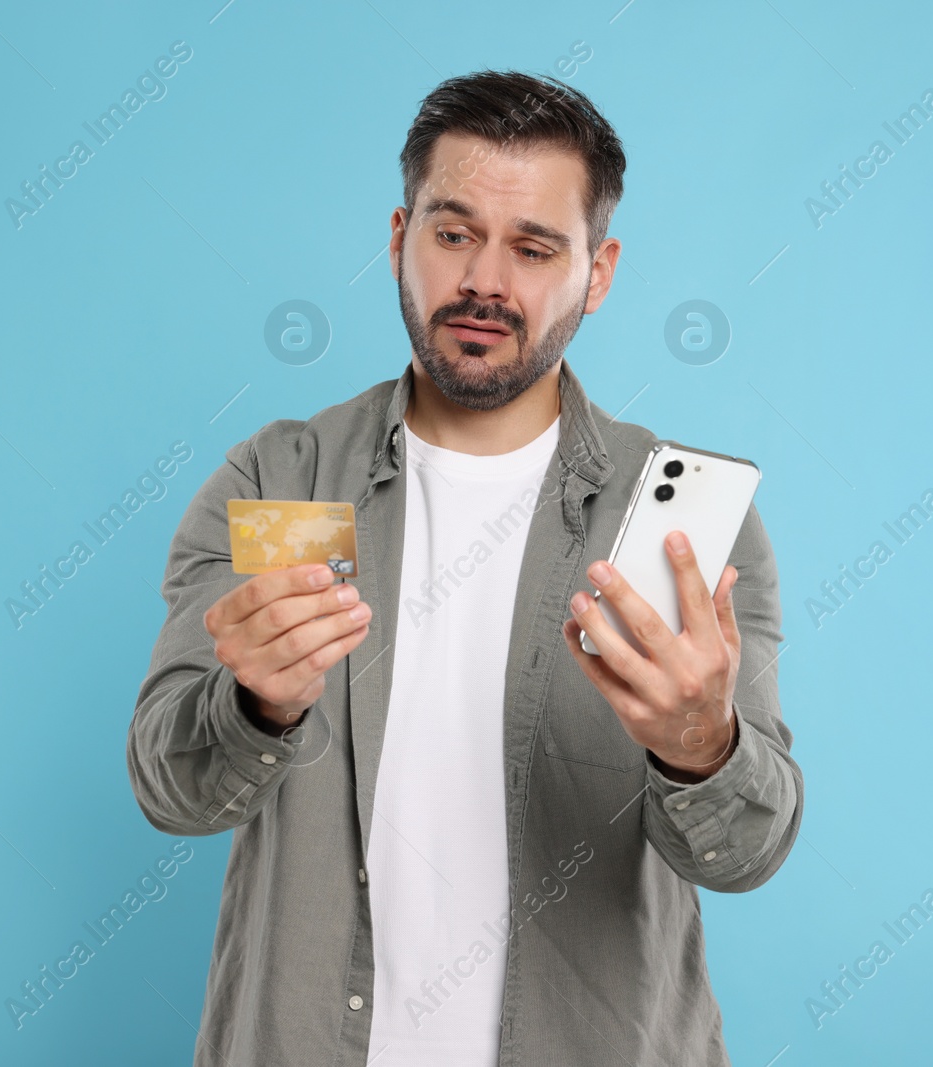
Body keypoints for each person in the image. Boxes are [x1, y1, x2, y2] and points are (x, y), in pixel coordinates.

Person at [127, 68, 803, 1066]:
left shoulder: (679, 528)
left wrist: (701, 745)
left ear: (598, 271)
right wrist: (255, 707)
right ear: (399, 239)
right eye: (453, 234)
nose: (486, 279)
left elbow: (743, 854)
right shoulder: (288, 479)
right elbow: (174, 792)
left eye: (533, 248)